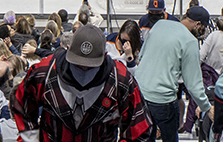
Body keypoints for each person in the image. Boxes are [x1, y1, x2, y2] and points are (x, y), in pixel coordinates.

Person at [10, 23, 150, 142]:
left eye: (90, 67)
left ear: (104, 57)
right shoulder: (43, 73)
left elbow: (138, 128)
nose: (83, 70)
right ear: (68, 50)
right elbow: (22, 107)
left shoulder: (121, 80)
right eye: (78, 65)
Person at [135, 1, 214, 141]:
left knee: (146, 137)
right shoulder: (189, 41)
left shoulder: (159, 25)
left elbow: (141, 56)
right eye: (202, 27)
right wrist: (207, 108)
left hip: (140, 94)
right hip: (163, 99)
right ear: (197, 24)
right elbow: (193, 84)